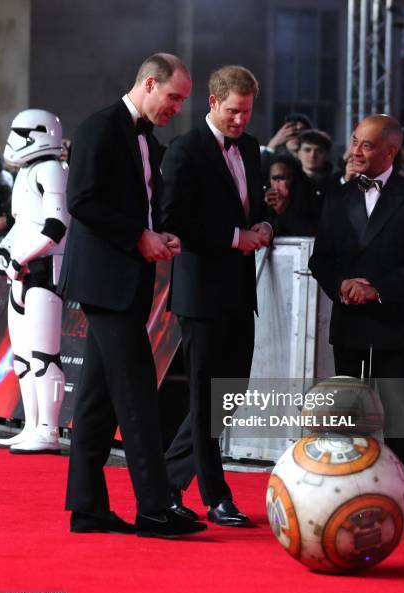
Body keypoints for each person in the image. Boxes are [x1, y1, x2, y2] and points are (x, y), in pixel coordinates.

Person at [58, 53, 206, 538]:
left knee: (97, 403)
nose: (178, 108)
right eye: (174, 98)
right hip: (105, 283)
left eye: (183, 100)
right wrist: (138, 238)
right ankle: (155, 508)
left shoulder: (146, 138)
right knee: (138, 394)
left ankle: (87, 509)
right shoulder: (99, 128)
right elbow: (81, 200)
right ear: (148, 84)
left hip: (124, 282)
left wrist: (159, 234)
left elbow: (139, 204)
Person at [159, 65, 272, 526]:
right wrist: (233, 238)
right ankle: (215, 494)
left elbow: (256, 207)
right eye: (233, 111)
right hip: (199, 292)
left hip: (239, 291)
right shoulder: (184, 151)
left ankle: (165, 481)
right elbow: (172, 219)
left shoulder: (249, 147)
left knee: (230, 393)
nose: (241, 121)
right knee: (208, 396)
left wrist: (265, 225)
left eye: (246, 112)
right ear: (212, 102)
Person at [309, 114, 404, 503]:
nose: (356, 152)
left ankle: (401, 503)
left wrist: (377, 290)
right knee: (346, 421)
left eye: (366, 145)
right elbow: (321, 261)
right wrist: (343, 286)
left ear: (391, 151)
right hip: (349, 323)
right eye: (354, 142)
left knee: (400, 424)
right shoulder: (338, 196)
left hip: (399, 326)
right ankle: (345, 499)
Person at [0, 110, 69, 454]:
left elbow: (56, 228)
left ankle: (48, 429)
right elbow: (23, 225)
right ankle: (31, 425)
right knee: (23, 357)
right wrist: (6, 252)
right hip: (22, 271)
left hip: (43, 271)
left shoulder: (53, 170)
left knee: (43, 355)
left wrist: (18, 257)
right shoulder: (28, 172)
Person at [265, 154, 317, 236]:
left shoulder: (311, 199)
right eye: (275, 179)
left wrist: (284, 211)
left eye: (286, 178)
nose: (280, 184)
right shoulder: (262, 200)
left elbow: (310, 235)